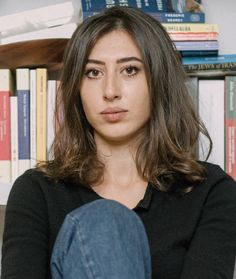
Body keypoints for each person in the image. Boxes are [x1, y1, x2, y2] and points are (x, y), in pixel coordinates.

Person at [2, 5, 236, 279]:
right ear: (77, 89)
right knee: (105, 222)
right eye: (93, 73)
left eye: (130, 70)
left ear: (158, 80)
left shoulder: (211, 192)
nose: (110, 91)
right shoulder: (36, 191)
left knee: (107, 222)